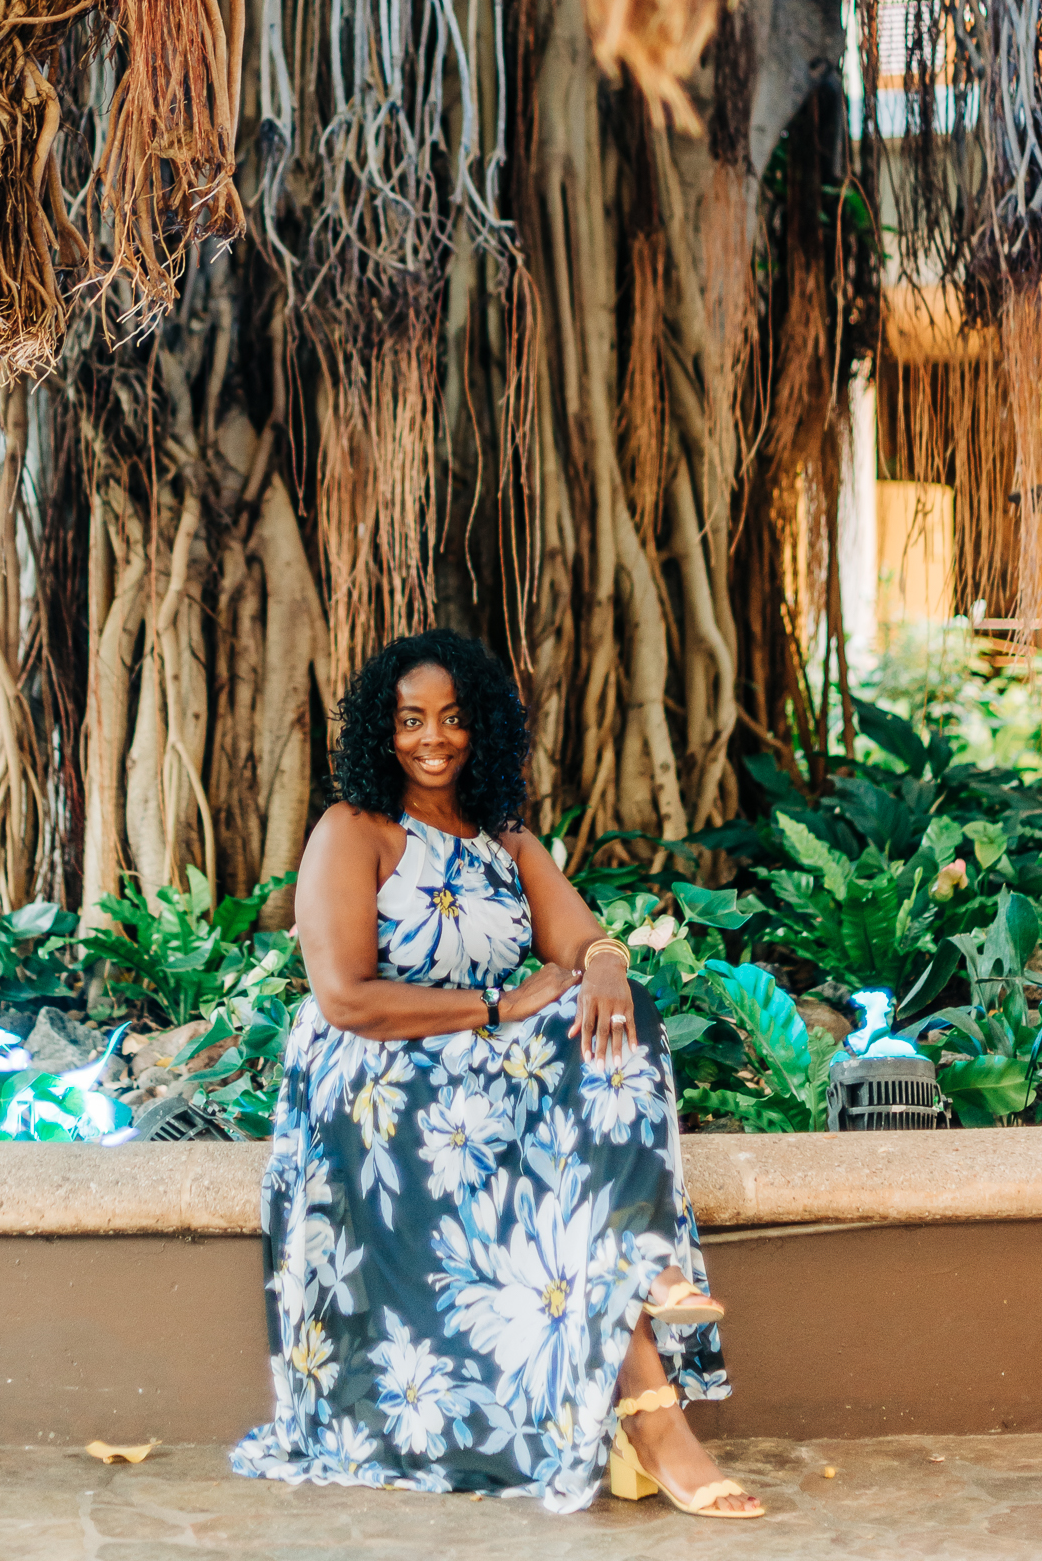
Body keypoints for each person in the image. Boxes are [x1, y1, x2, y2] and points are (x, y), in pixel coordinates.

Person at [231, 628, 764, 1517]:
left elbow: (582, 939)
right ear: (380, 729)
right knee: (532, 1115)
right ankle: (654, 1387)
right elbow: (346, 1000)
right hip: (375, 1070)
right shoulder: (353, 831)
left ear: (481, 728)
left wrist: (601, 963)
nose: (431, 738)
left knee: (626, 1014)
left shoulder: (503, 839)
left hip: (488, 1060)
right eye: (409, 720)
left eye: (450, 717)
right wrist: (495, 1009)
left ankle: (642, 1281)